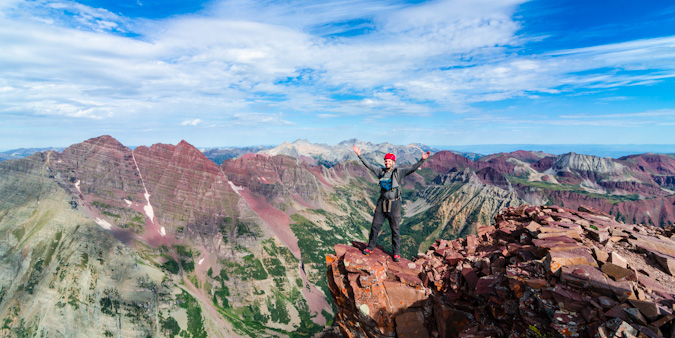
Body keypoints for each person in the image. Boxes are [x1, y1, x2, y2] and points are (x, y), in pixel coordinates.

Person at [353, 145, 430, 262]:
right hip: (382, 203)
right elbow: (368, 165)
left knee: (395, 229)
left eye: (389, 161)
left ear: (393, 162)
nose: (387, 163)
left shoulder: (398, 172)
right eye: (386, 161)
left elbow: (412, 168)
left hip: (395, 204)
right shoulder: (380, 171)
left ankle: (396, 253)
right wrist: (359, 155)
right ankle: (370, 247)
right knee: (375, 226)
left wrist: (422, 160)